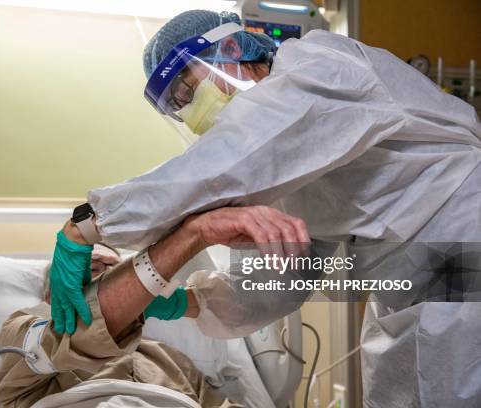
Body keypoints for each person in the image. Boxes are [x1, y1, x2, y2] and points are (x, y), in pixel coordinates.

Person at [50, 9, 481, 408]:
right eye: (177, 105)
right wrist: (181, 302)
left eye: (188, 86)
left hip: (463, 248)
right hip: (405, 290)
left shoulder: (317, 68)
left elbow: (221, 163)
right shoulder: (275, 165)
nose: (189, 107)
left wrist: (86, 227)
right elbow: (280, 282)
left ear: (232, 48)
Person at [0, 205, 299, 408]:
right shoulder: (22, 332)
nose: (101, 273)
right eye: (90, 270)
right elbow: (69, 337)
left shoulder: (170, 358)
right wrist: (192, 236)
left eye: (112, 270)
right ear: (52, 294)